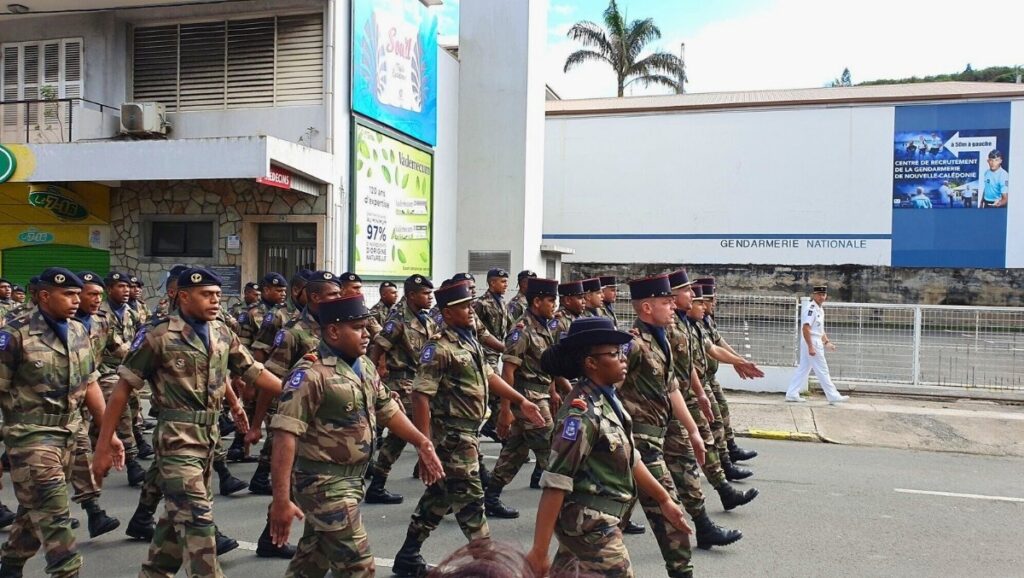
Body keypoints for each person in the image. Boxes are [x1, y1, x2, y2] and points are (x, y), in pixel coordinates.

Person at [93, 266, 283, 578]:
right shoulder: (159, 336)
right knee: (199, 527)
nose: (215, 301)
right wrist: (104, 444)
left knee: (170, 538)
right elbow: (122, 389)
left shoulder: (222, 332)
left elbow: (254, 371)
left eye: (218, 296)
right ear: (183, 296)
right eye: (206, 295)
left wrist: (296, 391)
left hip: (208, 442)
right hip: (176, 444)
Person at [266, 294, 445, 578]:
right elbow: (285, 435)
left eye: (367, 327)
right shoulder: (311, 374)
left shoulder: (364, 366)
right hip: (323, 484)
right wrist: (280, 500)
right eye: (359, 328)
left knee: (311, 562)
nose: (367, 335)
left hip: (351, 480)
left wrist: (422, 442)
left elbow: (388, 409)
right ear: (334, 331)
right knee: (358, 566)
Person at [392, 281, 545, 576]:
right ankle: (489, 565)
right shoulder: (439, 348)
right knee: (472, 502)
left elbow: (489, 375)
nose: (470, 310)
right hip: (452, 437)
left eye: (470, 304)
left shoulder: (468, 338)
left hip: (468, 434)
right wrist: (425, 446)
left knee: (440, 495)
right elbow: (420, 396)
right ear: (447, 313)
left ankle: (408, 554)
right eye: (463, 306)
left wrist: (520, 400)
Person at [524, 316, 693, 578]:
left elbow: (631, 459)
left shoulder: (608, 400)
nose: (623, 358)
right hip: (590, 527)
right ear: (591, 363)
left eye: (622, 352)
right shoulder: (580, 416)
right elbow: (556, 482)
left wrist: (664, 500)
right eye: (614, 354)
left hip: (601, 521)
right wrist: (539, 550)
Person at [0, 267, 126, 578]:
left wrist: (108, 434)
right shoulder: (14, 334)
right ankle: (67, 570)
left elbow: (90, 382)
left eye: (76, 294)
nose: (76, 299)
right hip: (30, 437)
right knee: (55, 514)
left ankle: (10, 566)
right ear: (44, 296)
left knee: (35, 509)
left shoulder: (78, 331)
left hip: (70, 433)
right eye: (68, 294)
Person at [619, 274, 706, 578]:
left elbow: (671, 389)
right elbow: (603, 385)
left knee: (607, 525)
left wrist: (693, 430)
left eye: (672, 301)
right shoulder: (632, 345)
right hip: (637, 446)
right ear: (646, 307)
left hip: (654, 441)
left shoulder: (661, 341)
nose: (673, 307)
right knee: (671, 516)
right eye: (666, 302)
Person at [663, 270, 750, 549]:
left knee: (687, 459)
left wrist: (739, 361)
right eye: (690, 293)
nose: (696, 297)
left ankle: (714, 504)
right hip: (658, 412)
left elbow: (707, 352)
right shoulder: (666, 330)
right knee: (658, 471)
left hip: (678, 402)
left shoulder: (685, 326)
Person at [485, 278, 567, 518]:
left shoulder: (545, 326)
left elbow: (547, 364)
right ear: (537, 301)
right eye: (551, 300)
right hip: (527, 397)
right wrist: (505, 410)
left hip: (540, 395)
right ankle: (565, 510)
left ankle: (490, 497)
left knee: (516, 451)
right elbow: (507, 372)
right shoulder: (521, 331)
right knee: (553, 452)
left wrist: (553, 390)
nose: (554, 304)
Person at [366, 274, 437, 504]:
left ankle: (380, 484)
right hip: (402, 383)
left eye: (430, 293)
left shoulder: (426, 319)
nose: (430, 298)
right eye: (425, 294)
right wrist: (374, 376)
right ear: (411, 295)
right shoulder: (398, 320)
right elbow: (378, 346)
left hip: (421, 382)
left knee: (406, 435)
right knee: (403, 435)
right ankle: (378, 485)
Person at [67, 271, 122, 539]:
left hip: (82, 403)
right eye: (91, 294)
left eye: (99, 294)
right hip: (38, 419)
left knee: (79, 455)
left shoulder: (95, 324)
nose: (96, 299)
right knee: (47, 473)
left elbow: (92, 375)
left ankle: (93, 512)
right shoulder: (22, 332)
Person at [696, 278, 761, 464]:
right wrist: (739, 362)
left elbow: (718, 343)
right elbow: (712, 350)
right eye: (708, 300)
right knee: (711, 421)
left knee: (721, 411)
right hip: (697, 381)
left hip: (708, 377)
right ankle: (722, 461)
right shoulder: (693, 324)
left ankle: (729, 449)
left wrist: (739, 361)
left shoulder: (706, 320)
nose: (713, 302)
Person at [95, 271, 145, 487]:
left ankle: (102, 440)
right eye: (120, 286)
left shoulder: (131, 312)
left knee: (132, 409)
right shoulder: (101, 313)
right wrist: (142, 354)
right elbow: (115, 347)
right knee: (122, 410)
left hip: (127, 368)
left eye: (127, 286)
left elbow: (140, 335)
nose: (125, 290)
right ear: (109, 289)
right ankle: (132, 462)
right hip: (106, 370)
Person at [786, 285, 848, 404]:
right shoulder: (811, 309)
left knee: (804, 369)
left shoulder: (819, 309)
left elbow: (820, 330)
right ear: (814, 295)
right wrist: (810, 346)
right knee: (822, 369)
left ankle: (792, 393)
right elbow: (806, 328)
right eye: (819, 294)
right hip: (812, 341)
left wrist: (827, 342)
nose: (821, 297)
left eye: (823, 295)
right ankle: (833, 396)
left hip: (815, 340)